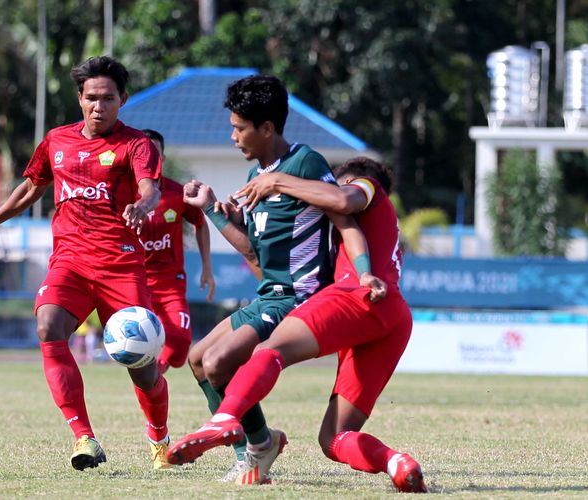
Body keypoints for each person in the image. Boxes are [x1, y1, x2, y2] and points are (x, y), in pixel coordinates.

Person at [0, 55, 173, 471]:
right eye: (91, 98)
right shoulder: (56, 140)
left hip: (121, 266)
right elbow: (28, 190)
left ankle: (160, 440)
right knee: (47, 326)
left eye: (108, 98)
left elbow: (150, 189)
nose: (99, 106)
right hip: (70, 263)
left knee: (142, 370)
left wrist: (143, 207)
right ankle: (84, 438)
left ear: (122, 99)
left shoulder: (136, 144)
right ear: (79, 99)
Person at [167, 157, 428, 493]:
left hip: (360, 296)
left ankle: (226, 419)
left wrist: (277, 180)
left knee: (271, 350)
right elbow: (262, 265)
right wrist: (225, 216)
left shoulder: (367, 187)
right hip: (391, 318)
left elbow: (344, 198)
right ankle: (397, 463)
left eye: (333, 182)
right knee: (333, 438)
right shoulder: (342, 234)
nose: (325, 190)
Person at [178, 75, 380, 485]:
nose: (232, 135)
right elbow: (254, 253)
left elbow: (344, 219)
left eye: (239, 127)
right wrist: (213, 212)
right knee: (198, 360)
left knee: (219, 363)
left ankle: (255, 451)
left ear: (267, 128)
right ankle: (257, 447)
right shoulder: (257, 175)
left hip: (299, 298)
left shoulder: (305, 163)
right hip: (268, 295)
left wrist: (364, 273)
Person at [139, 129, 215, 374]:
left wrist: (207, 268)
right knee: (138, 347)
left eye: (155, 154)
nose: (150, 160)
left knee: (180, 347)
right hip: (135, 284)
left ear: (163, 159)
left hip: (171, 283)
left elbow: (200, 224)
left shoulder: (177, 193)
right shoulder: (121, 195)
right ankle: (152, 385)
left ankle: (154, 376)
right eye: (144, 154)